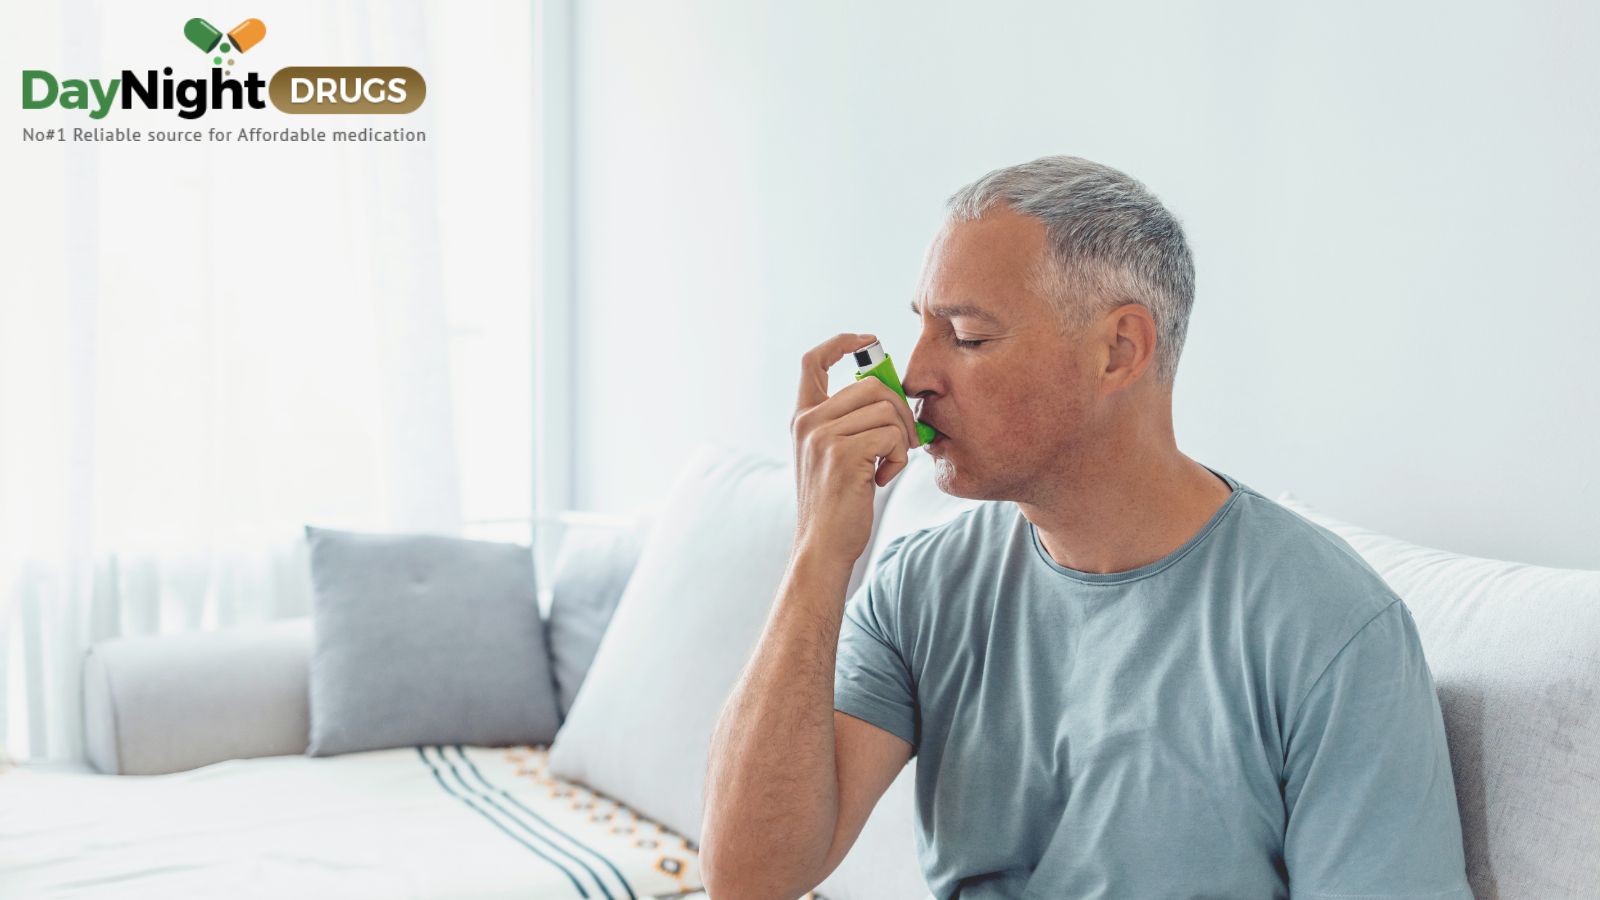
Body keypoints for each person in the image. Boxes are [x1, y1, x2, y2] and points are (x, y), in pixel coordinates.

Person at [700, 155, 1472, 899]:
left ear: (1119, 350)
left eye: (966, 336)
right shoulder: (919, 589)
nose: (917, 377)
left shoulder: (1331, 629)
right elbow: (747, 879)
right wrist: (818, 554)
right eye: (922, 330)